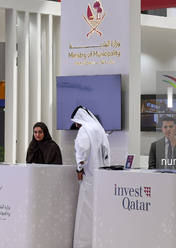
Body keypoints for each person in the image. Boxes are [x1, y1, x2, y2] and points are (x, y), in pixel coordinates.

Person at [71, 106, 110, 248]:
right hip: (101, 178)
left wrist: (79, 169)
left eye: (75, 122)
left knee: (85, 215)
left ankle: (83, 244)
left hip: (89, 178)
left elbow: (82, 151)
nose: (76, 125)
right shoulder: (99, 129)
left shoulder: (85, 129)